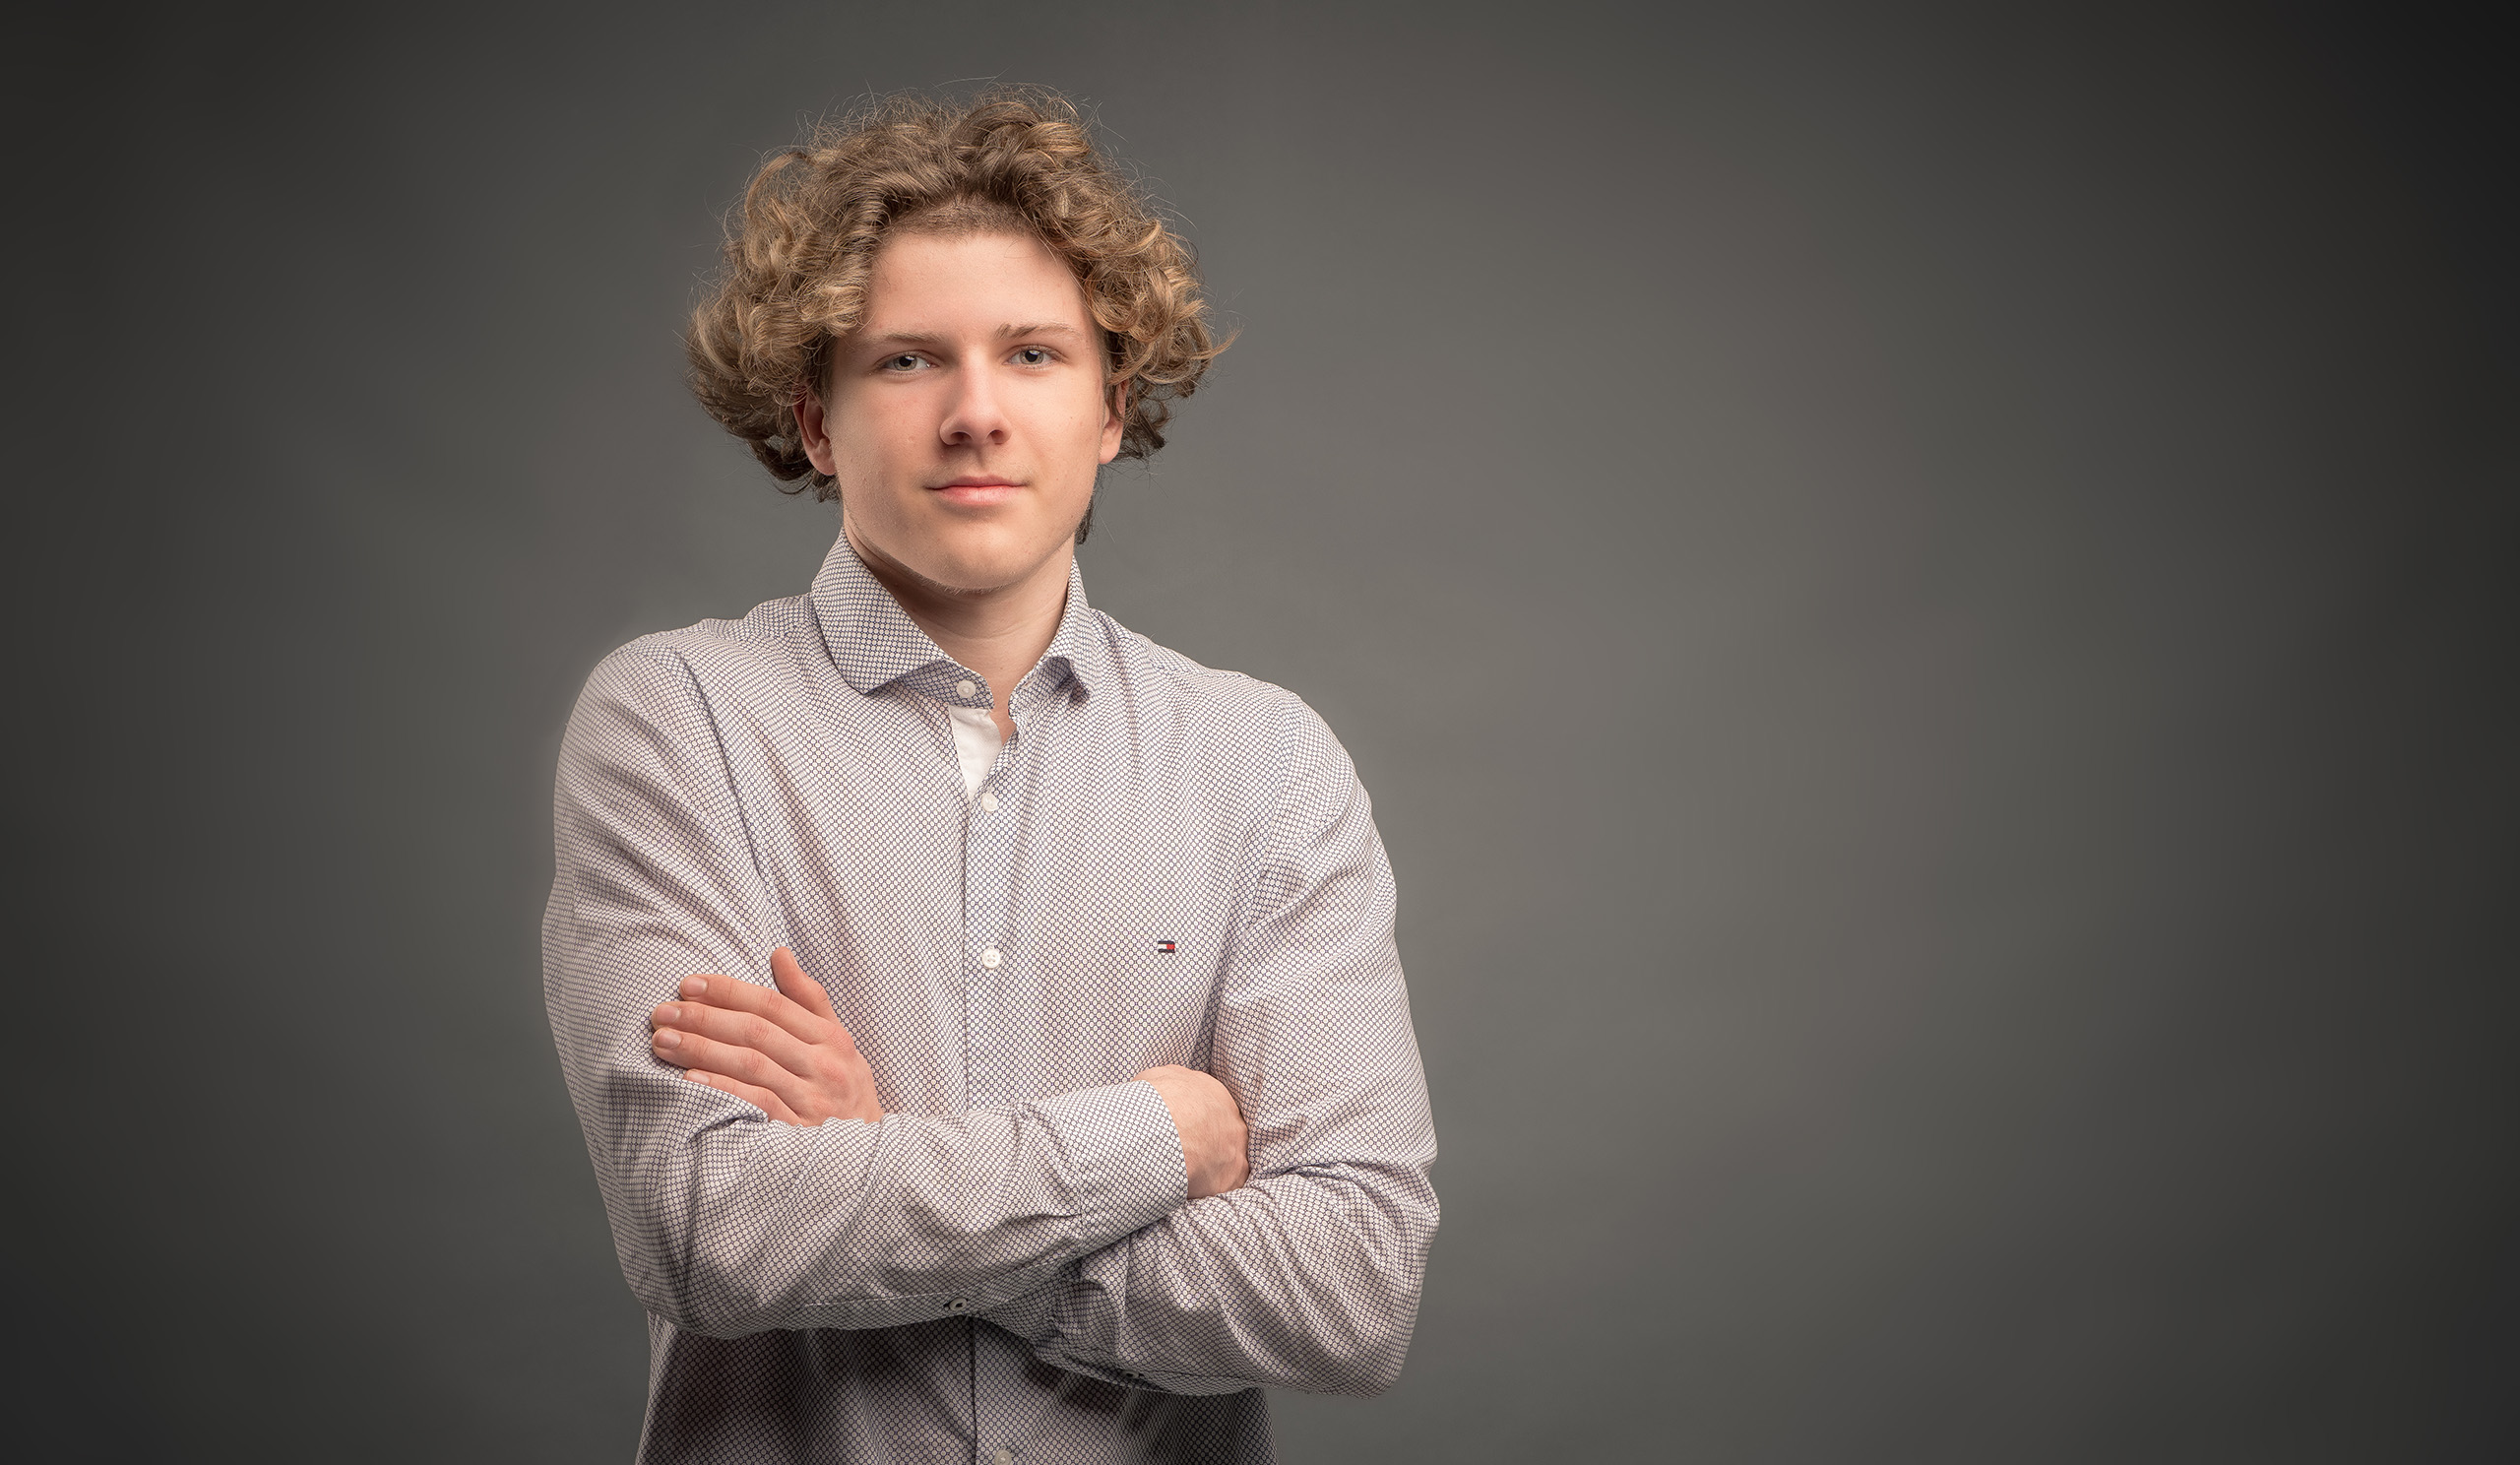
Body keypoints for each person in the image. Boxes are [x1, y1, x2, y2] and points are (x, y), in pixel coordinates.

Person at [542, 89, 1437, 1463]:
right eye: (908, 360)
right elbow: (711, 1228)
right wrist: (1156, 1140)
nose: (975, 414)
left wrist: (884, 1157)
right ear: (816, 417)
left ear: (1110, 408)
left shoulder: (1266, 769)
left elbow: (1354, 1288)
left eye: (1032, 354)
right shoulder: (680, 723)